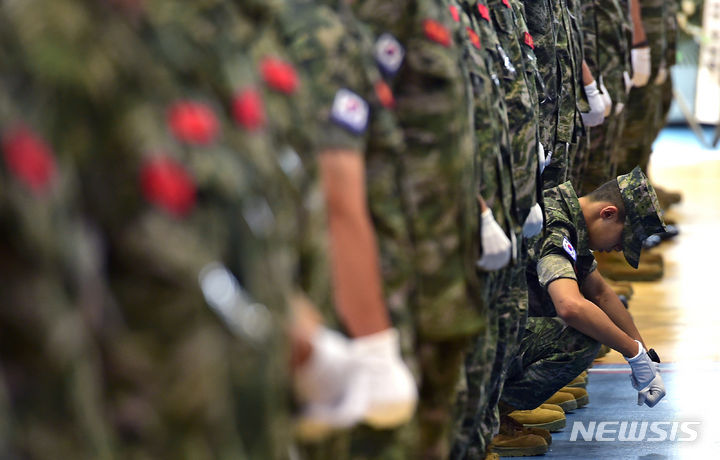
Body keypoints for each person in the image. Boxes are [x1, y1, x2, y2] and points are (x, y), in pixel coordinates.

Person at [499, 166, 668, 416]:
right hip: (477, 334)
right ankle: (493, 416)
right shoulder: (555, 228)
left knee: (593, 322)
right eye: (623, 239)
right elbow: (571, 307)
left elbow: (600, 293)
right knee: (581, 339)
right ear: (608, 214)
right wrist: (633, 354)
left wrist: (645, 357)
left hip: (489, 320)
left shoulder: (566, 214)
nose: (619, 248)